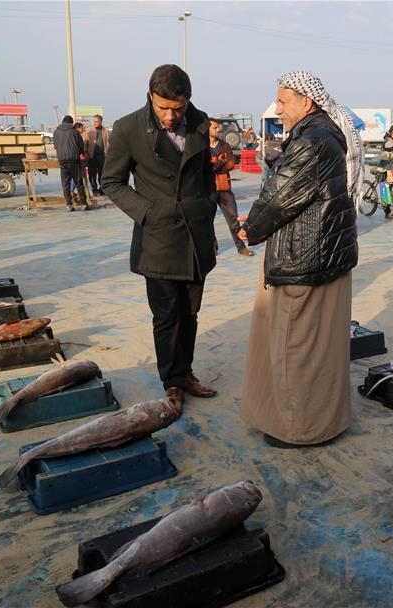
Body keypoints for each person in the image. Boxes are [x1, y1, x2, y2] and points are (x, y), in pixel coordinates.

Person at [239, 70, 362, 448]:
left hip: (306, 259)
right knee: (316, 348)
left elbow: (281, 194)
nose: (277, 109)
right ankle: (312, 421)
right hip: (321, 255)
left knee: (296, 347)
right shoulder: (323, 133)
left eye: (282, 101)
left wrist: (251, 229)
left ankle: (299, 430)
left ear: (305, 102)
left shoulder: (312, 139)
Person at [101, 64, 219, 406]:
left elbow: (205, 173)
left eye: (177, 108)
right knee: (166, 314)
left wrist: (207, 207)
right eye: (163, 107)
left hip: (195, 236)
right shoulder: (128, 128)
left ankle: (186, 372)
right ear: (150, 97)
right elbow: (111, 182)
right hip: (158, 238)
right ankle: (172, 382)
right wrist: (147, 213)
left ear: (188, 101)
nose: (170, 115)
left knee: (190, 312)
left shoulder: (199, 121)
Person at [209, 117, 253, 257]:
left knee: (234, 220)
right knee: (207, 221)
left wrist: (215, 164)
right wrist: (220, 162)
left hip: (225, 189)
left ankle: (241, 247)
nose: (219, 129)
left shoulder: (225, 145)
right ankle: (212, 248)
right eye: (215, 127)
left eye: (219, 127)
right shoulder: (202, 146)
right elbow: (203, 167)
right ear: (207, 129)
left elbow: (230, 164)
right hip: (208, 189)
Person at [52, 115, 86, 212]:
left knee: (66, 183)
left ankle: (69, 205)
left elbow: (55, 145)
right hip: (74, 160)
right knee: (78, 182)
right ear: (71, 123)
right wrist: (80, 153)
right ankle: (83, 204)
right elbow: (81, 146)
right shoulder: (75, 131)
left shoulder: (56, 132)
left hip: (62, 161)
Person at [85, 114, 110, 196]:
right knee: (92, 174)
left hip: (102, 156)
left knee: (102, 174)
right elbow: (85, 143)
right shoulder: (89, 130)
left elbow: (109, 143)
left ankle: (102, 188)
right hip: (91, 156)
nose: (95, 123)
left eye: (96, 121)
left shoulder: (105, 131)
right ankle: (94, 189)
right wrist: (86, 154)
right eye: (94, 121)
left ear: (101, 121)